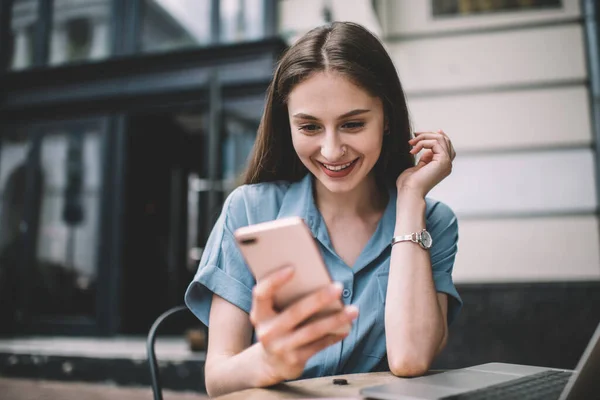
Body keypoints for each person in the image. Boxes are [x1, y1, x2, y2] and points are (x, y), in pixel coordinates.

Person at [185, 21, 462, 397]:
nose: (332, 151)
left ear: (387, 120)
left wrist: (411, 198)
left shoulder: (434, 221)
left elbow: (410, 359)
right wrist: (270, 361)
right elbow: (217, 380)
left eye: (352, 123)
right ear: (288, 125)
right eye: (310, 127)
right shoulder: (249, 210)